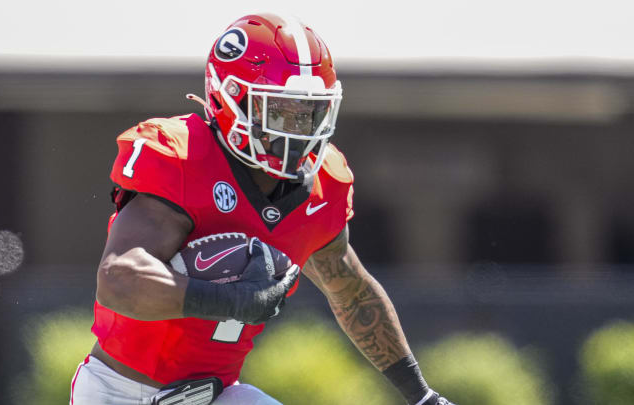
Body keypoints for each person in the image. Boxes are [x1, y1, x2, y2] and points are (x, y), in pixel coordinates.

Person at [70, 12, 456, 405]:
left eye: (307, 113)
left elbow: (353, 294)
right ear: (229, 97)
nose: (296, 129)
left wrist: (421, 396)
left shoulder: (324, 186)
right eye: (279, 111)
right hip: (120, 391)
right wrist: (232, 301)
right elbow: (119, 279)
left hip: (217, 395)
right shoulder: (183, 157)